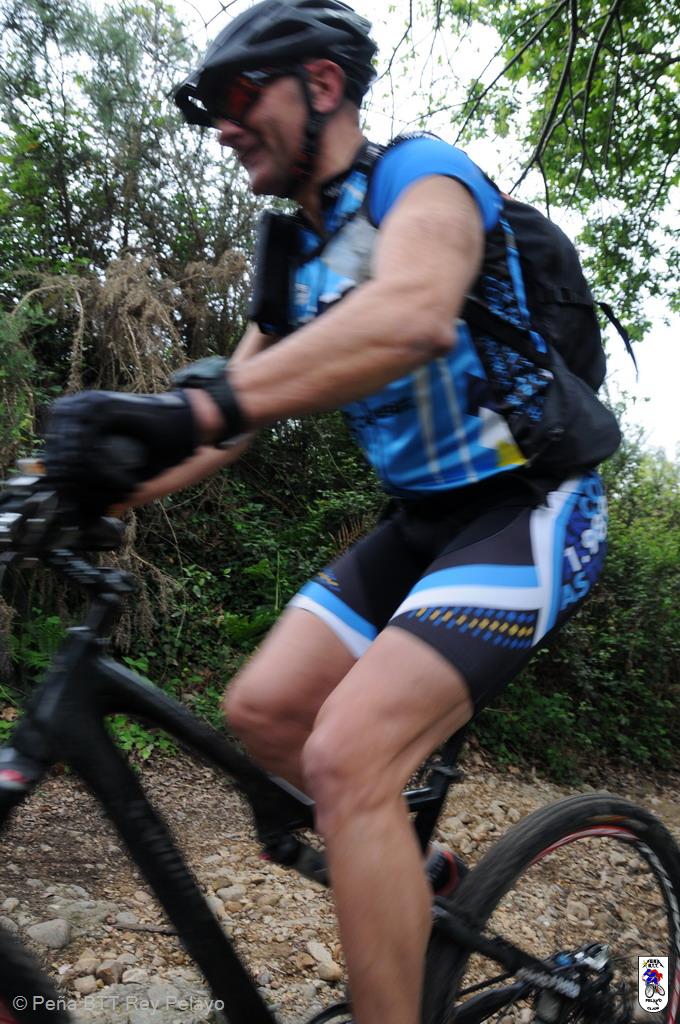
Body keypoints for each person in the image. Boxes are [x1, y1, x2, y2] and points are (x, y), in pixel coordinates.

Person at [45, 2, 615, 1021]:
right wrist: (86, 480)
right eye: (209, 110)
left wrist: (201, 404)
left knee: (347, 756)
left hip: (532, 503)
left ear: (320, 85)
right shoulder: (294, 254)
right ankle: (416, 870)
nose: (224, 126)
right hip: (421, 522)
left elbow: (412, 312)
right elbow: (223, 428)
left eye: (236, 95)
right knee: (264, 712)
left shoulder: (420, 176)